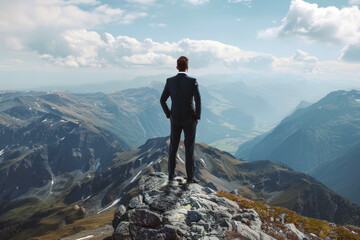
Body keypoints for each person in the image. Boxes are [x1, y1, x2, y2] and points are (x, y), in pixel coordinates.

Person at [160, 56, 201, 184]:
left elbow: (162, 100)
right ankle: (190, 178)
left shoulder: (169, 81)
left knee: (173, 147)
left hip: (175, 119)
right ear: (187, 68)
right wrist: (197, 117)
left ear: (177, 67)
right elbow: (198, 100)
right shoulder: (192, 81)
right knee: (189, 148)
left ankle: (171, 176)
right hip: (190, 119)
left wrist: (169, 114)